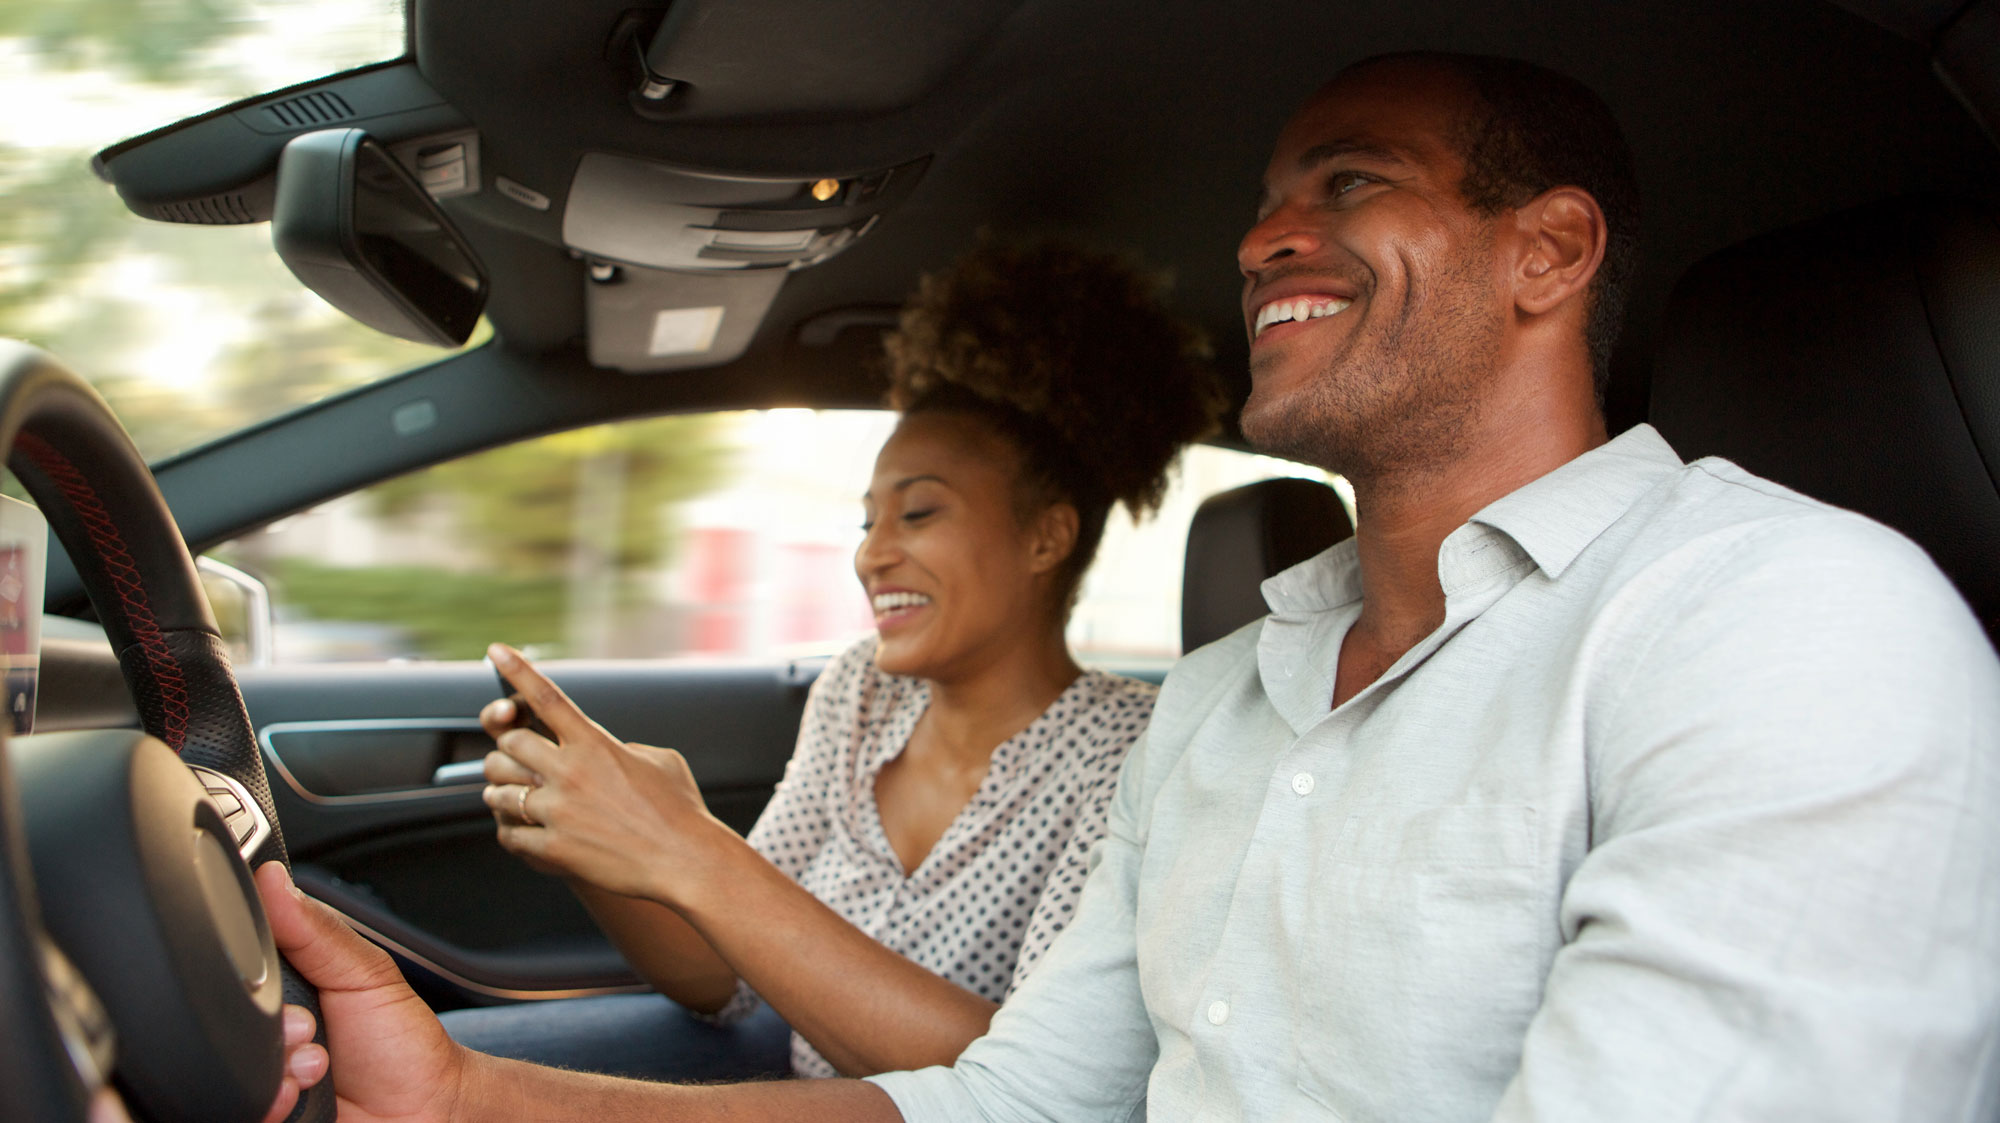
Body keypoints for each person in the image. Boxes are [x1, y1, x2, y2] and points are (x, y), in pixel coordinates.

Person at [254, 51, 2000, 1123]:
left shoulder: (1783, 623)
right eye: (1265, 201)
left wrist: (682, 863)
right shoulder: (1235, 696)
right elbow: (1022, 1101)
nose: (1262, 238)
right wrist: (469, 1090)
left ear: (1547, 251)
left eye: (1349, 182)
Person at [441, 240, 1226, 1081]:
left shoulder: (1134, 755)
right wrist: (596, 848)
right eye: (866, 522)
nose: (872, 555)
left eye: (918, 513)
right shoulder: (861, 692)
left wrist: (685, 843)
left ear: (1047, 536)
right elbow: (723, 982)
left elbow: (1032, 1083)